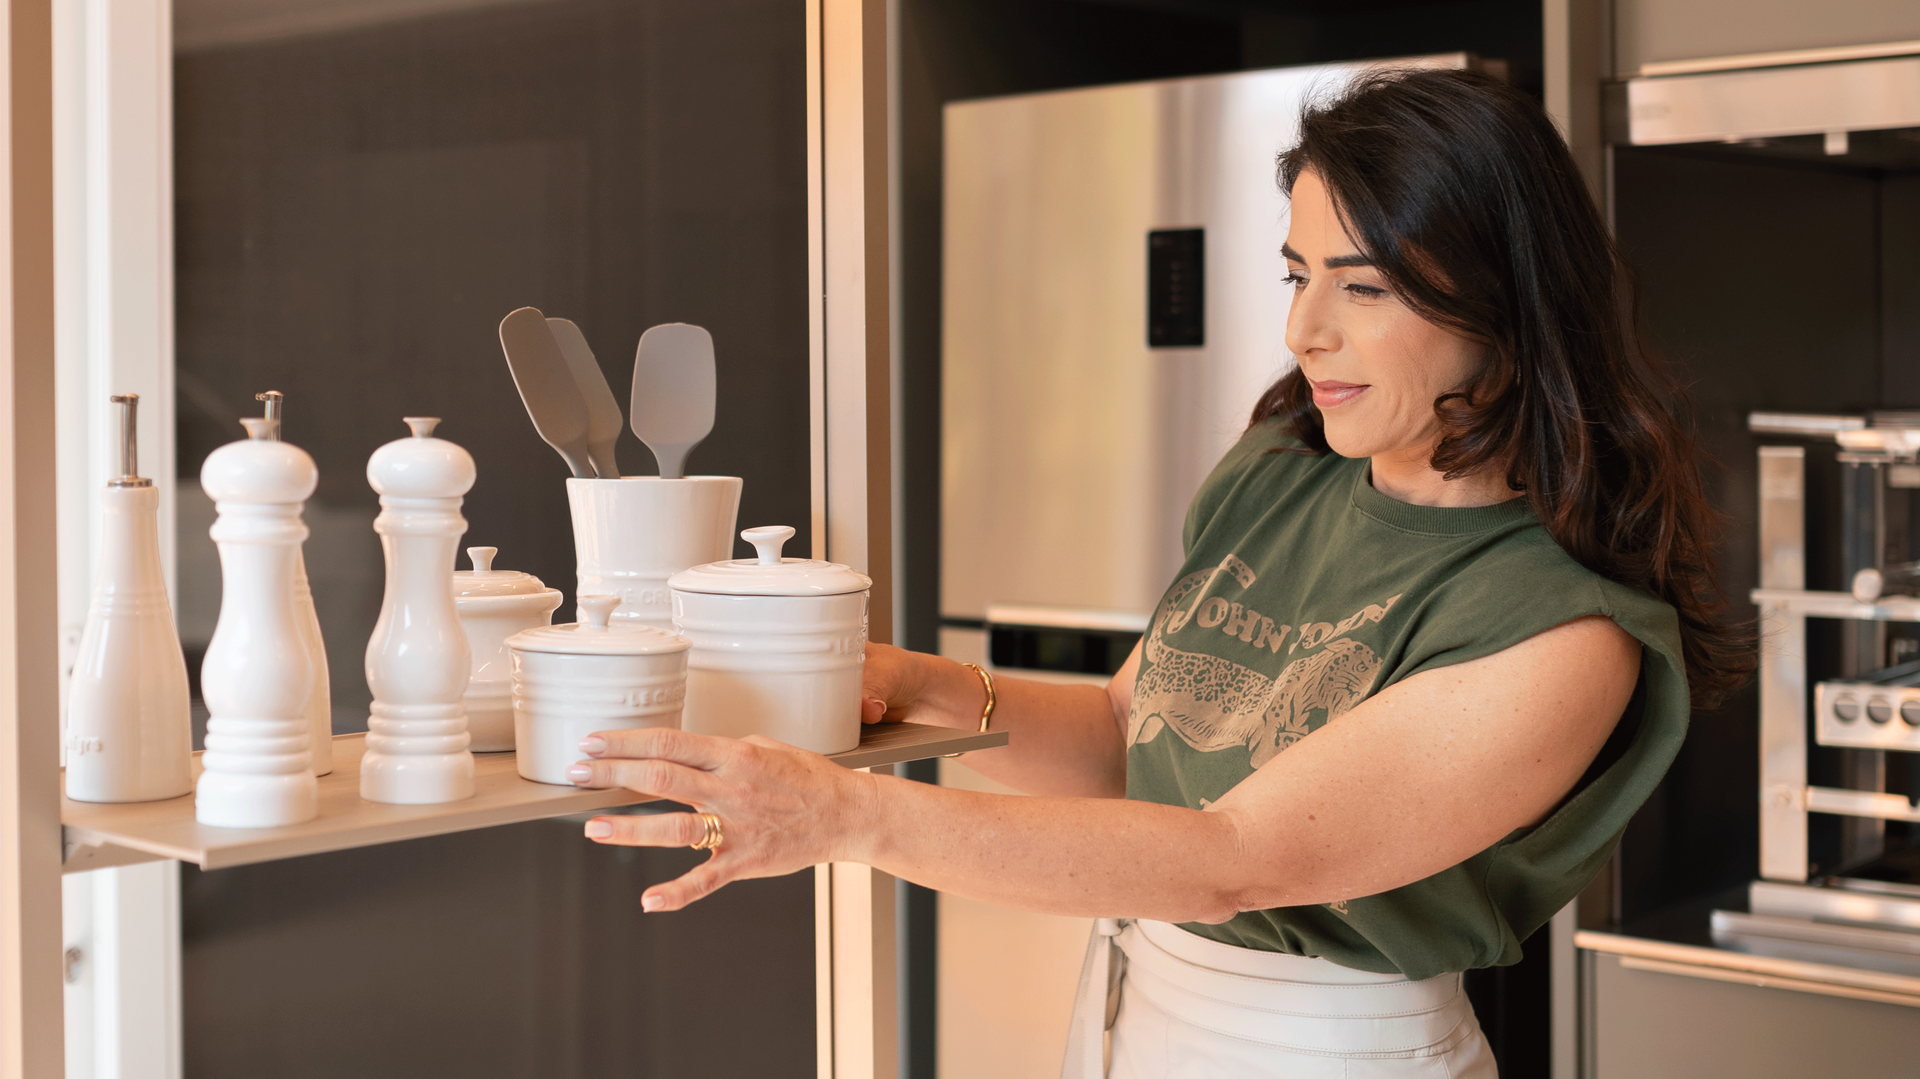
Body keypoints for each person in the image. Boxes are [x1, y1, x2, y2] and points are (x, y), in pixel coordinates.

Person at [564, 67, 1747, 1077]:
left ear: (1506, 306)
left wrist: (843, 813)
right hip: (1140, 1007)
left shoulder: (1557, 632)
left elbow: (1233, 855)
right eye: (1299, 274)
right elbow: (1131, 727)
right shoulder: (1287, 472)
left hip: (1322, 1050)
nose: (1304, 332)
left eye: (1364, 286)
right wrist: (905, 682)